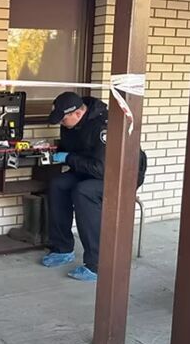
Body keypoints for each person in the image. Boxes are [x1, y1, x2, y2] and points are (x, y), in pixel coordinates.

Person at [42, 92, 147, 281]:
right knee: (58, 184)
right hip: (90, 170)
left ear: (77, 113)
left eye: (63, 120)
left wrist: (69, 158)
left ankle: (97, 264)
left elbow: (102, 169)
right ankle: (62, 248)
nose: (62, 124)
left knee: (84, 192)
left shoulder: (103, 126)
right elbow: (74, 152)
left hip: (122, 175)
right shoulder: (71, 124)